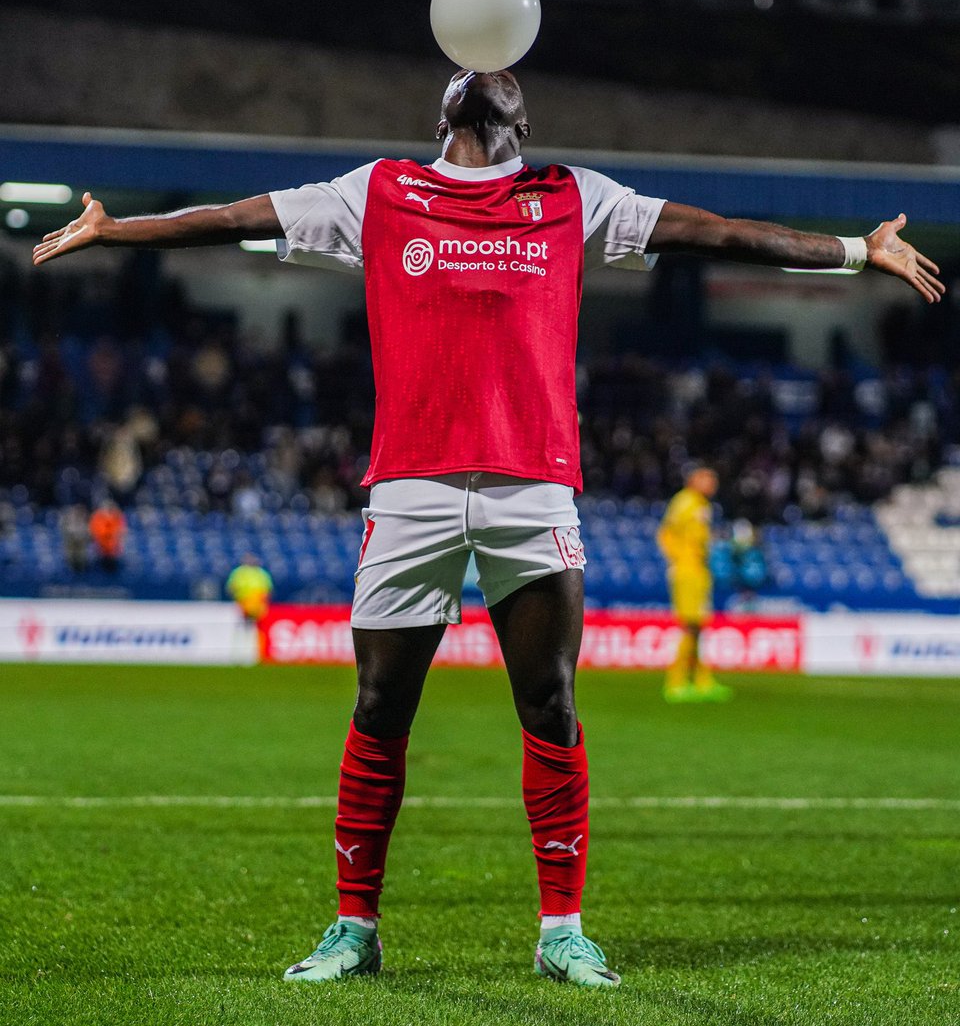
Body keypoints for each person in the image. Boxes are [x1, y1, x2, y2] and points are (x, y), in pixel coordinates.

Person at [33, 66, 944, 990]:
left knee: (550, 703)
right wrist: (116, 229)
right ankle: (354, 929)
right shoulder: (378, 191)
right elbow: (235, 218)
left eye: (501, 75)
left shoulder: (571, 196)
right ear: (443, 113)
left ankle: (562, 932)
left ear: (524, 119)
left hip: (533, 489)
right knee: (380, 707)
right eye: (467, 74)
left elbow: (714, 233)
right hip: (410, 488)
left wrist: (854, 251)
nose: (484, 76)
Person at [656, 465, 731, 703]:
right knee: (690, 625)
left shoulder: (701, 504)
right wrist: (678, 559)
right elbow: (666, 533)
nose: (713, 484)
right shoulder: (686, 501)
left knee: (698, 625)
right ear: (694, 480)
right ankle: (676, 682)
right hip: (687, 570)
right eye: (708, 479)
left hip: (699, 569)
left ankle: (701, 680)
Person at [225, 552, 274, 628]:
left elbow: (268, 588)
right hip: (243, 602)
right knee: (243, 623)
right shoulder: (238, 572)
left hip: (258, 604)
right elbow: (231, 587)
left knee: (258, 625)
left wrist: (265, 597)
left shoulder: (261, 573)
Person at [88, 499, 126, 573]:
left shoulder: (118, 517)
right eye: (106, 507)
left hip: (114, 551)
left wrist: (114, 538)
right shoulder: (97, 518)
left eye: (110, 507)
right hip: (101, 550)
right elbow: (97, 532)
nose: (109, 509)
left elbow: (120, 531)